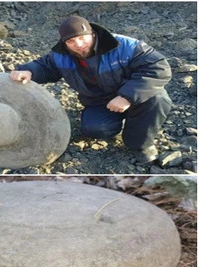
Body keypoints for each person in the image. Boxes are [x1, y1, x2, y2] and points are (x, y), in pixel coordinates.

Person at [9, 16, 172, 164]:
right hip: (100, 102)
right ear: (64, 43)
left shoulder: (125, 46)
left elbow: (158, 67)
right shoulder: (60, 55)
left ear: (92, 34)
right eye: (71, 42)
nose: (78, 45)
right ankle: (120, 122)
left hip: (133, 96)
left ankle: (140, 144)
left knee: (158, 98)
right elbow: (44, 66)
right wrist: (28, 71)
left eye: (82, 38)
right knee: (95, 129)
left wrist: (127, 97)